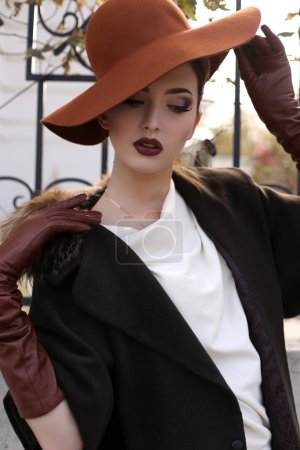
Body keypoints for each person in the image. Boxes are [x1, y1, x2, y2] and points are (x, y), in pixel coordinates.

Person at [0, 0, 300, 449]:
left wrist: (292, 126)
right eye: (133, 99)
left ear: (196, 116)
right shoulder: (72, 264)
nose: (152, 122)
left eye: (177, 104)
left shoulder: (238, 203)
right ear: (104, 113)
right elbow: (64, 444)